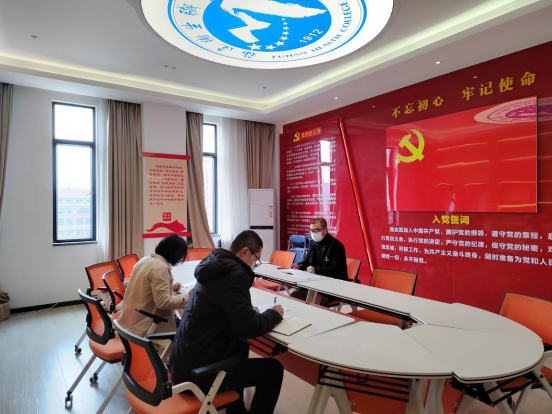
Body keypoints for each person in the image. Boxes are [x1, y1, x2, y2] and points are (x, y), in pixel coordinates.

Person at [169, 230, 284, 414]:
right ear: (245, 252)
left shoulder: (214, 265)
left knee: (240, 345)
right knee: (273, 370)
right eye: (256, 258)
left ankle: (236, 410)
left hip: (183, 364)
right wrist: (274, 314)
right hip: (200, 373)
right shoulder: (235, 275)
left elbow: (223, 307)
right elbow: (250, 328)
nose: (255, 264)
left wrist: (246, 312)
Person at [117, 234, 191, 337]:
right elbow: (164, 303)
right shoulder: (160, 268)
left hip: (131, 320)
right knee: (190, 331)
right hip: (147, 327)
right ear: (176, 255)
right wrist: (188, 296)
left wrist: (170, 288)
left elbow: (145, 289)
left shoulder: (144, 260)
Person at [290, 218, 348, 304]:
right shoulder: (313, 242)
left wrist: (316, 270)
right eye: (311, 230)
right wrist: (299, 266)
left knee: (313, 301)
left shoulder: (336, 245)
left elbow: (336, 269)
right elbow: (307, 259)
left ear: (325, 230)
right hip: (314, 283)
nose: (313, 233)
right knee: (294, 296)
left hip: (332, 286)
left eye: (316, 230)